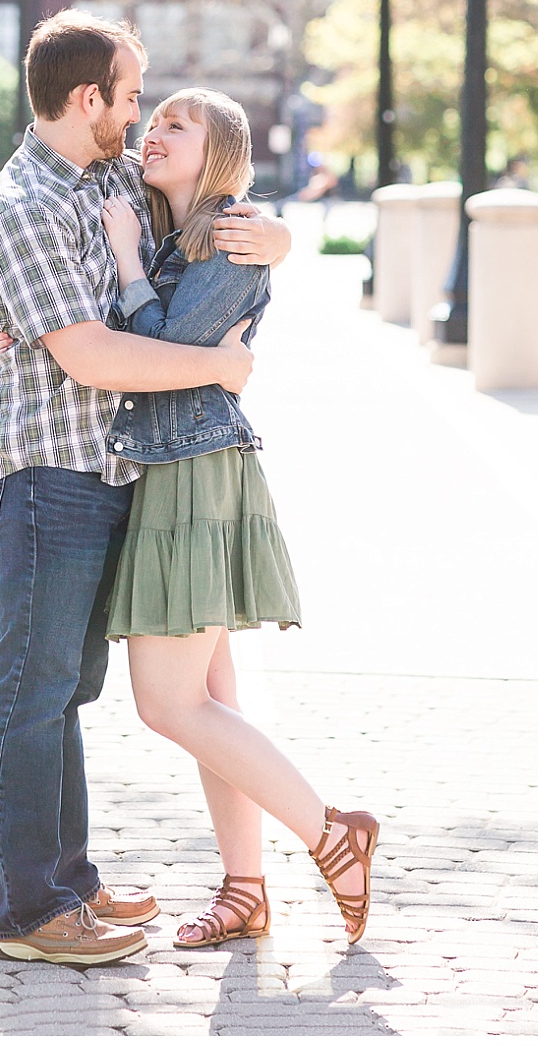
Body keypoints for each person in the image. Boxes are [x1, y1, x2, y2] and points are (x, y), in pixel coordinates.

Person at [0, 12, 291, 968]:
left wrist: (279, 235)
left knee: (68, 687)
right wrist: (215, 373)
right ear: (87, 99)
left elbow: (208, 211)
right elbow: (93, 354)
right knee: (30, 689)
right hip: (43, 472)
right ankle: (28, 913)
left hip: (107, 467)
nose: (141, 113)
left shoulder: (104, 173)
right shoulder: (20, 207)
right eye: (132, 95)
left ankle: (70, 883)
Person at [97, 87, 380, 949]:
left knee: (168, 703)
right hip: (170, 469)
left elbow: (174, 353)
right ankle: (245, 889)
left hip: (197, 471)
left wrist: (128, 268)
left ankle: (332, 832)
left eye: (177, 125)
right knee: (215, 700)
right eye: (154, 122)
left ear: (220, 150)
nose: (155, 133)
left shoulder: (232, 233)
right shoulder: (165, 229)